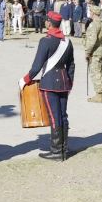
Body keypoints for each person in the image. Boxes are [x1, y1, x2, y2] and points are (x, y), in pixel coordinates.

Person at [20, 11, 75, 161]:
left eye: (46, 21)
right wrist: (69, 82)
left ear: (49, 23)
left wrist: (25, 79)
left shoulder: (45, 41)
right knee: (63, 116)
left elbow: (37, 66)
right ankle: (64, 149)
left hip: (50, 82)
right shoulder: (67, 42)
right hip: (64, 82)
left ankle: (56, 152)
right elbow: (71, 65)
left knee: (54, 116)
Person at [83, 5, 102, 103]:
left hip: (95, 51)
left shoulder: (94, 24)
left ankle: (99, 95)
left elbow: (92, 40)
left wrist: (87, 52)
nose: (90, 13)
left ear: (93, 13)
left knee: (96, 73)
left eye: (90, 12)